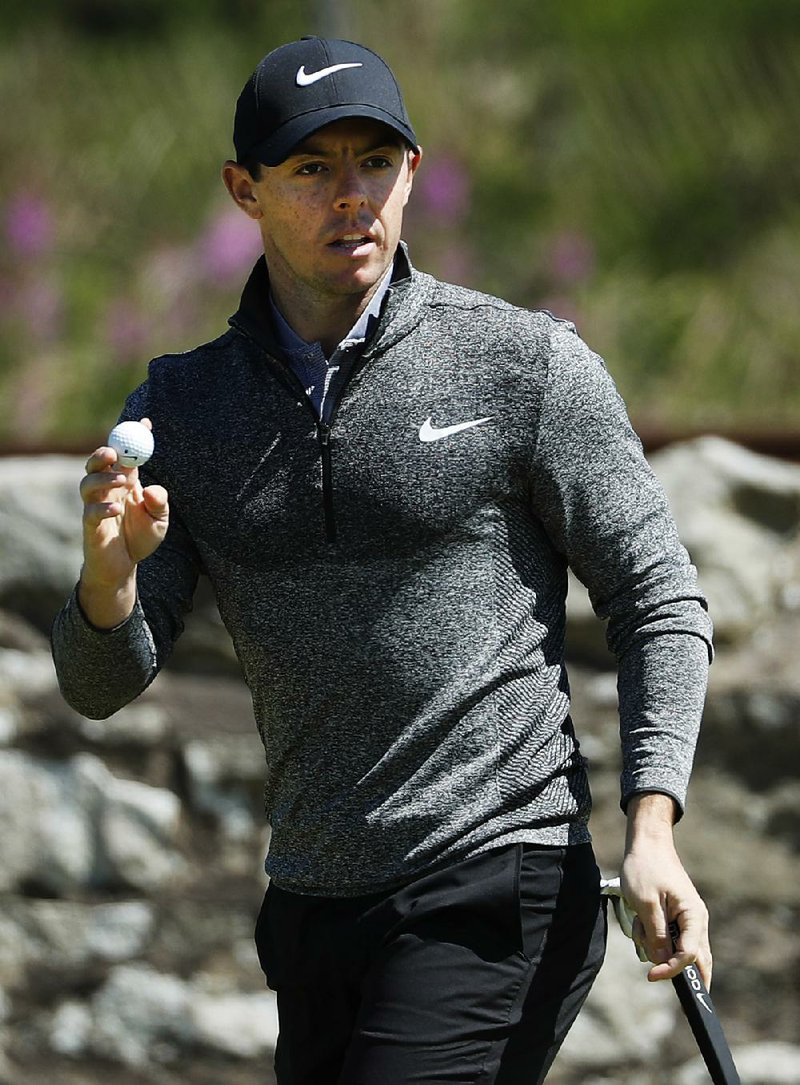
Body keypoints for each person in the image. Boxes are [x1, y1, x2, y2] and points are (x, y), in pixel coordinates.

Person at [52, 35, 714, 1085]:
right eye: (311, 168)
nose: (349, 195)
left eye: (374, 162)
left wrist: (651, 826)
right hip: (313, 902)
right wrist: (106, 581)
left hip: (496, 877)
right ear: (245, 190)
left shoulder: (521, 361)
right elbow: (100, 684)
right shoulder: (180, 408)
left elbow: (655, 595)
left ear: (411, 173)